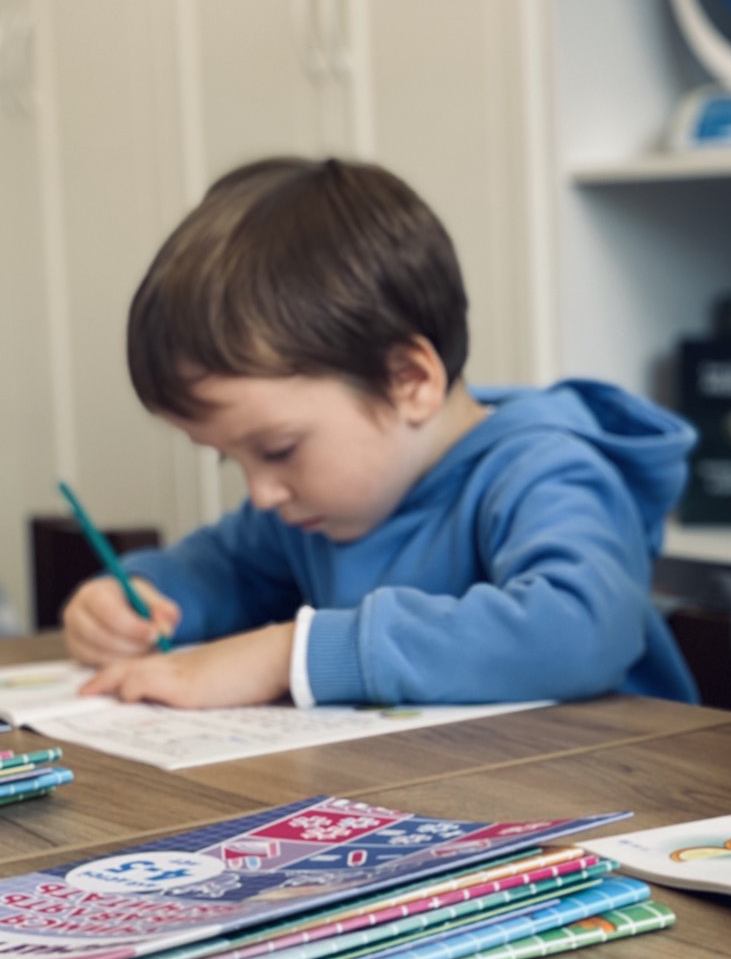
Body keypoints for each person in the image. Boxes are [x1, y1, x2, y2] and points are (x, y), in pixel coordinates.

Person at [62, 157, 697, 711]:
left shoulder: (544, 469)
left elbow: (576, 631)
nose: (262, 493)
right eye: (233, 461)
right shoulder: (315, 508)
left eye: (278, 450)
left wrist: (290, 654)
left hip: (611, 810)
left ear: (409, 380)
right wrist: (139, 601)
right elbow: (226, 568)